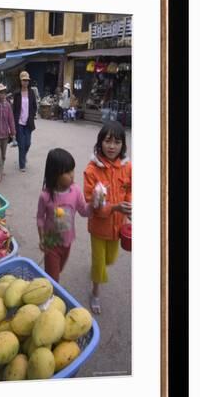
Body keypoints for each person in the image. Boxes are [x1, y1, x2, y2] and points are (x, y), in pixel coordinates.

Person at [84, 121, 132, 314]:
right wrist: (114, 207)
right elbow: (91, 202)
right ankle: (95, 293)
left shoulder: (127, 167)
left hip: (118, 226)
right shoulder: (91, 170)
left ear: (123, 145)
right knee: (98, 263)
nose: (112, 146)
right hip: (98, 227)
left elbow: (130, 189)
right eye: (108, 141)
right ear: (100, 142)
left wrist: (129, 205)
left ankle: (98, 269)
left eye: (117, 142)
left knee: (110, 259)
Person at [37, 148, 92, 282]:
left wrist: (94, 204)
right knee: (53, 278)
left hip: (67, 242)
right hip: (51, 243)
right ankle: (49, 293)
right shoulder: (46, 196)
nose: (72, 175)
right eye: (67, 172)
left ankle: (48, 281)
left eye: (72, 170)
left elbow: (84, 211)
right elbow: (40, 218)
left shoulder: (76, 191)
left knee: (58, 270)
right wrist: (42, 238)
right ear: (55, 174)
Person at [12, 71, 38, 172]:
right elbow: (14, 109)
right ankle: (22, 165)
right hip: (19, 123)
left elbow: (35, 106)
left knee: (28, 143)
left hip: (28, 123)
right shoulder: (17, 93)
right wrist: (13, 123)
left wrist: (32, 115)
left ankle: (23, 155)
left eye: (27, 80)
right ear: (20, 81)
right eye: (24, 80)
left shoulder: (31, 92)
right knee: (21, 144)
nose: (26, 82)